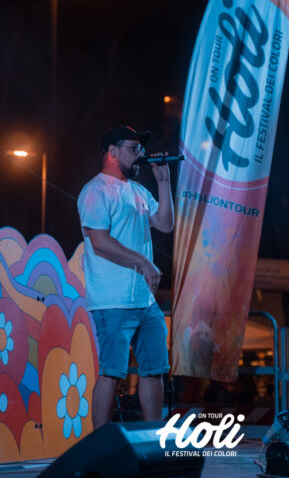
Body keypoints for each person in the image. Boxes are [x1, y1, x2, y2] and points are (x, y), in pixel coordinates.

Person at [77, 125, 174, 429]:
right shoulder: (95, 190)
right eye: (134, 148)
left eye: (141, 149)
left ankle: (153, 436)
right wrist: (143, 262)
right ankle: (100, 443)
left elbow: (165, 224)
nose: (141, 154)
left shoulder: (138, 191)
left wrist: (163, 182)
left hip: (144, 300)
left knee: (154, 369)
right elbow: (99, 241)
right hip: (112, 299)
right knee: (112, 372)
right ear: (112, 152)